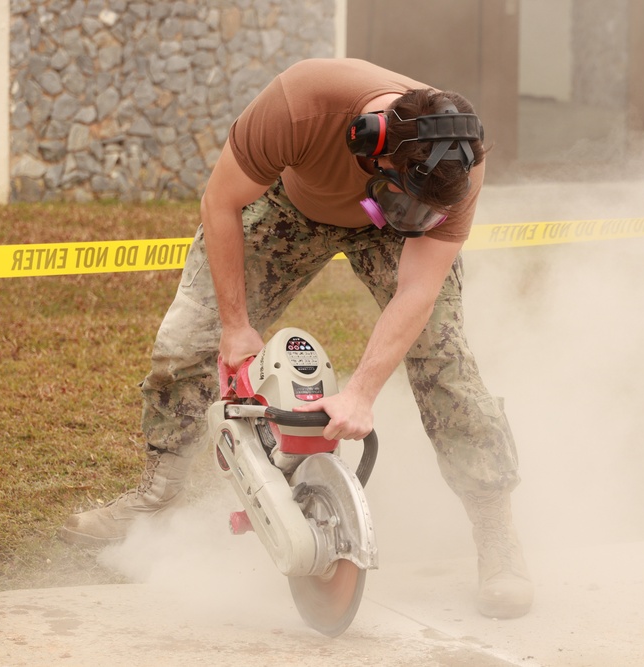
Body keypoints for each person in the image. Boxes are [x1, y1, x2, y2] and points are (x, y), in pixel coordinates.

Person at [59, 57, 533, 619]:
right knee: (187, 342)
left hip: (391, 236)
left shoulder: (459, 165)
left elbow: (417, 292)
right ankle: (156, 497)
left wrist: (360, 393)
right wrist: (235, 326)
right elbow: (221, 202)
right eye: (400, 191)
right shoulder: (303, 102)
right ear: (370, 147)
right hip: (291, 209)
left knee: (446, 361)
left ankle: (496, 533)